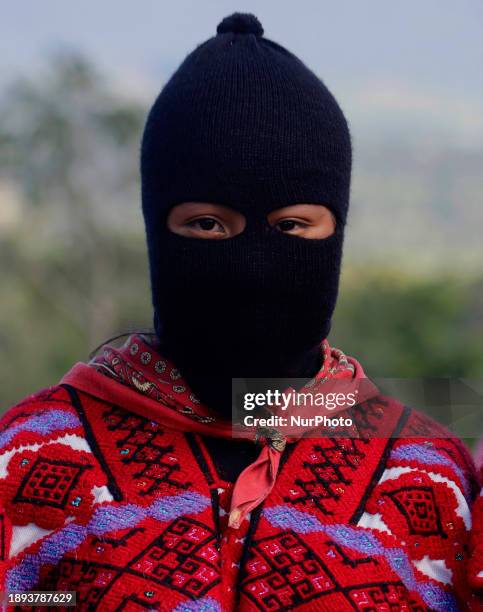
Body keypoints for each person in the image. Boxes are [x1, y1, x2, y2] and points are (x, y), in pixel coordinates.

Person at [0, 13, 481, 611]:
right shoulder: (30, 459)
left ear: (336, 233)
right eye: (207, 224)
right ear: (159, 231)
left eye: (292, 226)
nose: (253, 266)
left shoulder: (431, 479)